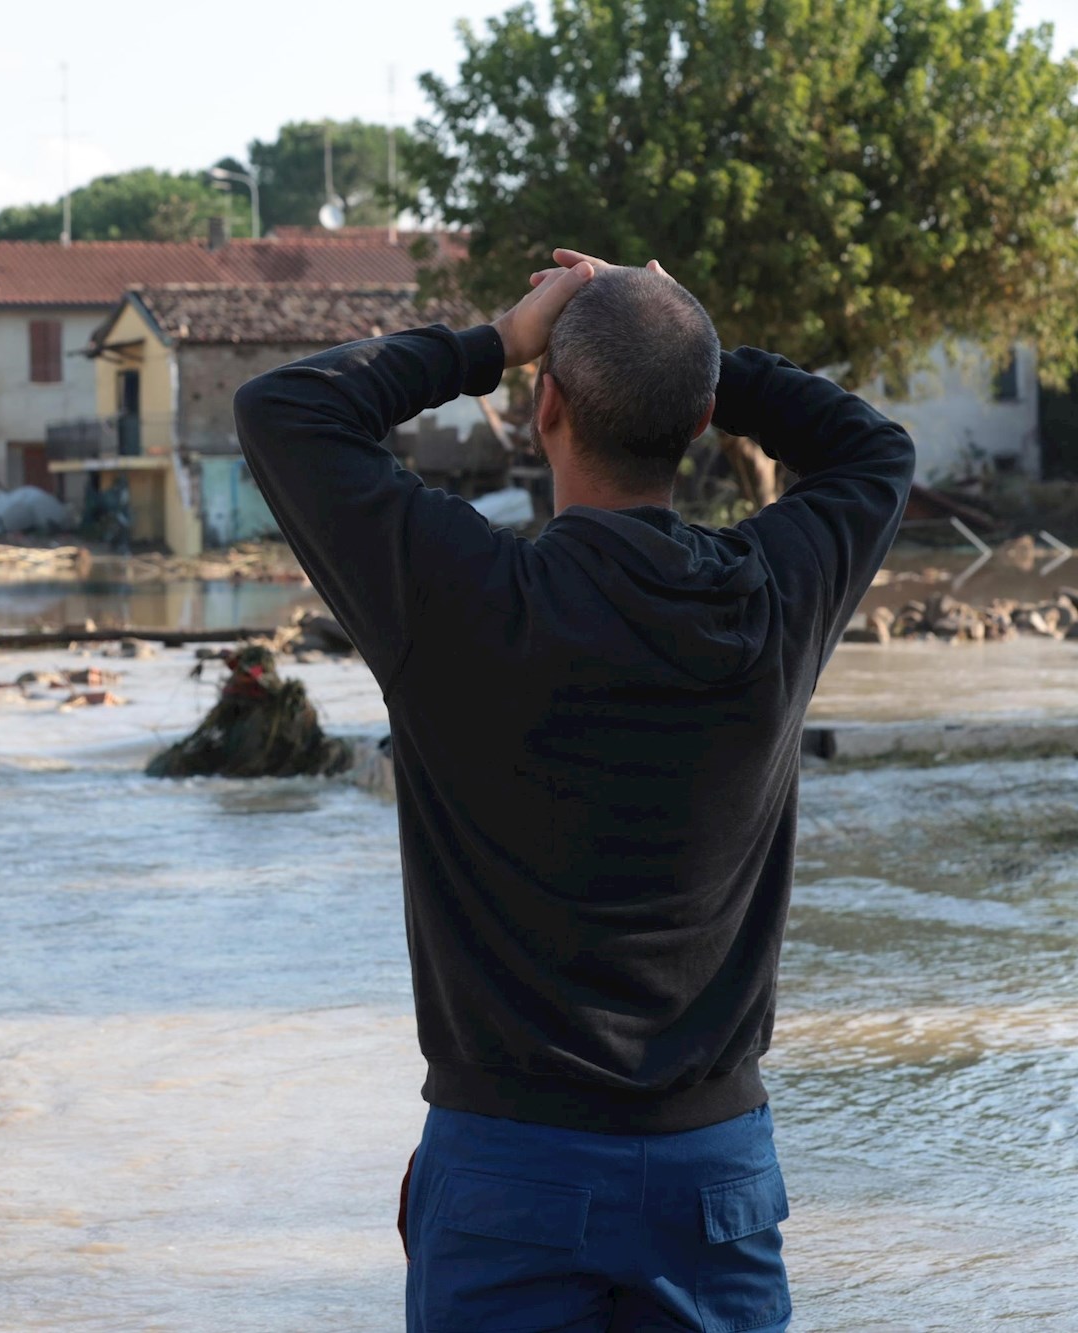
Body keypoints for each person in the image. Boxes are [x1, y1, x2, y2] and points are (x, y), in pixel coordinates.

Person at [233, 250, 913, 1332]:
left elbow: (284, 410)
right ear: (698, 425)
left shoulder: (459, 600)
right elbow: (872, 448)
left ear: (543, 405)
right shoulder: (771, 601)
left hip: (508, 1167)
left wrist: (493, 341)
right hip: (710, 1173)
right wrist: (682, 346)